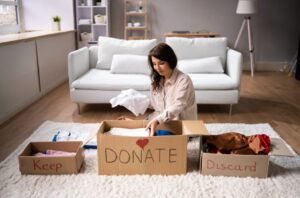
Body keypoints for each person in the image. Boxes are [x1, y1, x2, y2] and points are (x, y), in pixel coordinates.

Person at [146, 43, 197, 136]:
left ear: (170, 61)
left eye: (161, 63)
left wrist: (157, 120)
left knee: (158, 138)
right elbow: (157, 106)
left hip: (180, 126)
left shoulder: (183, 80)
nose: (157, 68)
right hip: (165, 122)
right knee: (142, 130)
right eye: (154, 64)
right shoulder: (157, 79)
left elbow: (178, 105)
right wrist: (139, 102)